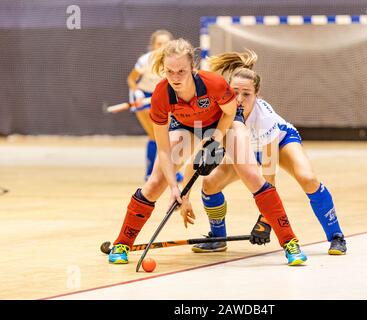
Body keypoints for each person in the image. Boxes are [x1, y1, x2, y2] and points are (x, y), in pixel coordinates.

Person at [109, 39, 307, 266]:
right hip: (187, 127)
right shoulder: (161, 95)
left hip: (225, 123)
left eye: (182, 71)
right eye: (170, 71)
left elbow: (230, 113)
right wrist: (176, 189)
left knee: (252, 176)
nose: (176, 77)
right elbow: (163, 149)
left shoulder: (214, 83)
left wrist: (215, 140)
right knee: (156, 183)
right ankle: (122, 243)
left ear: (193, 68)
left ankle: (290, 243)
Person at [191, 50, 347, 255]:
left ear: (257, 95)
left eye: (246, 94)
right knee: (210, 183)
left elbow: (268, 178)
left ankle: (336, 236)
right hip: (246, 151)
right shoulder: (222, 110)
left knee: (307, 178)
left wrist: (266, 219)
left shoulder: (264, 119)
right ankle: (218, 237)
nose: (239, 99)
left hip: (280, 143)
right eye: (235, 91)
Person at [126, 29, 182, 182]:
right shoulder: (145, 60)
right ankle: (151, 173)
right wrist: (137, 93)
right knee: (155, 135)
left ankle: (171, 171)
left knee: (169, 135)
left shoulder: (176, 61)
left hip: (161, 97)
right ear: (153, 45)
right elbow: (131, 79)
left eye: (165, 43)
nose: (162, 46)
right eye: (159, 43)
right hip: (142, 97)